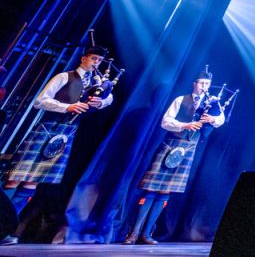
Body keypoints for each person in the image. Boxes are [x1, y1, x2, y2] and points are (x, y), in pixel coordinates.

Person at [3, 46, 113, 225]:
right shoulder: (64, 77)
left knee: (34, 181)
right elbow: (40, 101)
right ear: (83, 58)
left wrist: (101, 102)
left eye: (99, 61)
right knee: (15, 178)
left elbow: (109, 99)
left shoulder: (97, 83)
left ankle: (7, 227)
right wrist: (66, 107)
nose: (96, 63)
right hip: (46, 128)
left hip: (66, 133)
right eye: (93, 59)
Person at [124, 67, 226, 245]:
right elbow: (166, 122)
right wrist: (185, 125)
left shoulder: (212, 103)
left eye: (207, 84)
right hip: (171, 145)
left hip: (189, 148)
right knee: (151, 189)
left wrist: (212, 120)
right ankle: (133, 233)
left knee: (165, 191)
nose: (204, 87)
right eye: (202, 83)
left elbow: (221, 120)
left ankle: (147, 234)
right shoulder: (181, 99)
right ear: (194, 84)